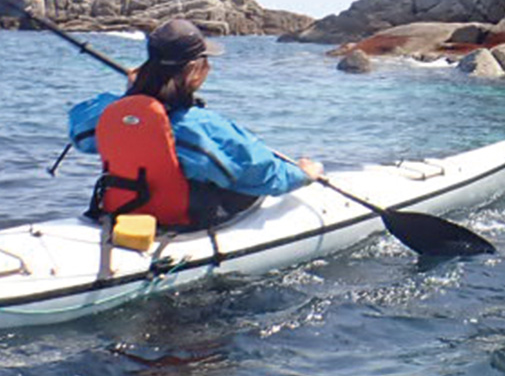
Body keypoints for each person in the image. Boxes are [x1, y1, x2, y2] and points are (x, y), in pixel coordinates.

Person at [68, 18, 323, 228]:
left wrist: (131, 97)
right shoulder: (198, 126)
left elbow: (79, 133)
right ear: (193, 71)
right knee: (241, 184)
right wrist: (301, 175)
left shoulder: (110, 114)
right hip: (181, 219)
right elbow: (257, 170)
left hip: (122, 211)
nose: (209, 68)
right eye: (206, 61)